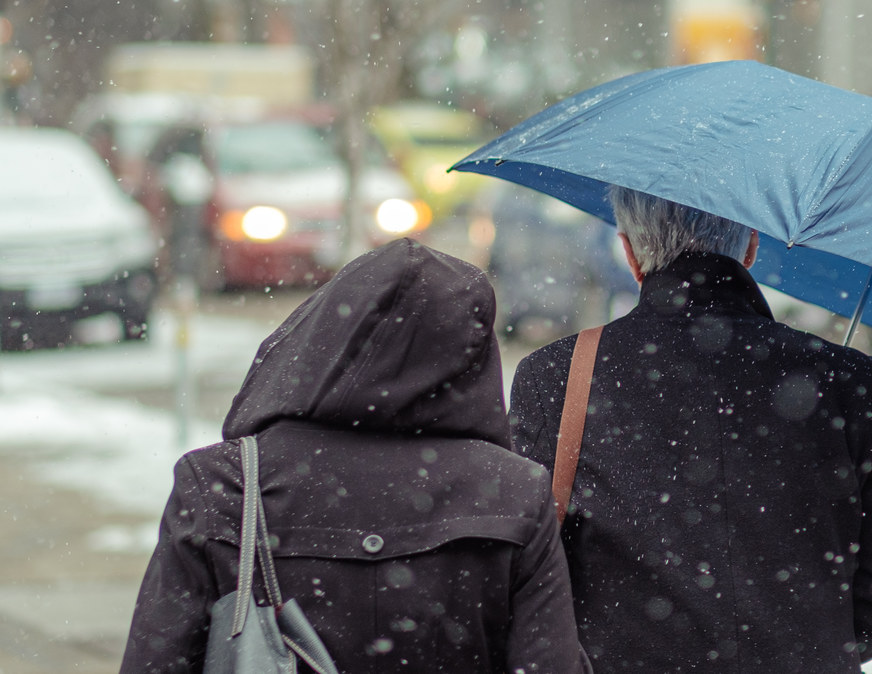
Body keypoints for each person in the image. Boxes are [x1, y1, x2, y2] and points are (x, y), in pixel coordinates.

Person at [508, 186, 872, 673]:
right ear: (752, 246)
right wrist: (807, 647)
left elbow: (527, 576)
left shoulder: (558, 377)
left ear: (629, 251)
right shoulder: (845, 380)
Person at [122, 239, 591, 673]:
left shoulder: (223, 482)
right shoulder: (513, 492)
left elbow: (155, 660)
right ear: (472, 357)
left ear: (320, 334)